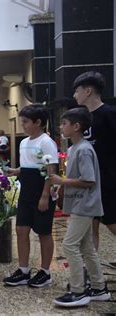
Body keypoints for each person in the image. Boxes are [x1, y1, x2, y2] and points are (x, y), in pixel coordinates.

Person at [49, 107, 111, 307]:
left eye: (64, 123)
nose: (61, 127)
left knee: (69, 245)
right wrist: (60, 186)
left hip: (86, 204)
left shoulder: (83, 149)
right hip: (80, 202)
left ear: (76, 126)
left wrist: (63, 182)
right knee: (86, 247)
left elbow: (88, 180)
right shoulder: (74, 147)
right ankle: (99, 288)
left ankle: (78, 291)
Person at [2, 104, 58, 288]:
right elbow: (28, 167)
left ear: (38, 122)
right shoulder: (24, 142)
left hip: (41, 191)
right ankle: (24, 270)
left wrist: (44, 196)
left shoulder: (46, 142)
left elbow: (49, 171)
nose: (22, 125)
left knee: (43, 232)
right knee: (21, 230)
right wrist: (14, 171)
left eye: (25, 122)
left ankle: (45, 272)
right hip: (26, 192)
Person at [72, 71, 116, 249]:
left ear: (88, 91)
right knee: (91, 228)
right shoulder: (82, 119)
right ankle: (92, 268)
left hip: (108, 178)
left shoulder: (109, 114)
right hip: (89, 180)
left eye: (77, 91)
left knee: (112, 222)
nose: (74, 95)